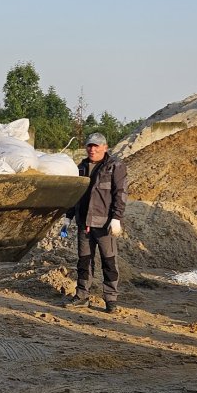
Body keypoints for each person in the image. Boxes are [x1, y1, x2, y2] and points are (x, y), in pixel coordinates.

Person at [62, 132, 127, 313]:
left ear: (105, 147)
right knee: (84, 262)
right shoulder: (81, 167)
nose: (92, 149)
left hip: (105, 224)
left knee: (109, 262)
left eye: (96, 146)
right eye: (90, 146)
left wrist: (116, 218)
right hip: (84, 224)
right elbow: (74, 195)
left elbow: (120, 194)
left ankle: (111, 300)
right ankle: (82, 296)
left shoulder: (115, 166)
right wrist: (68, 217)